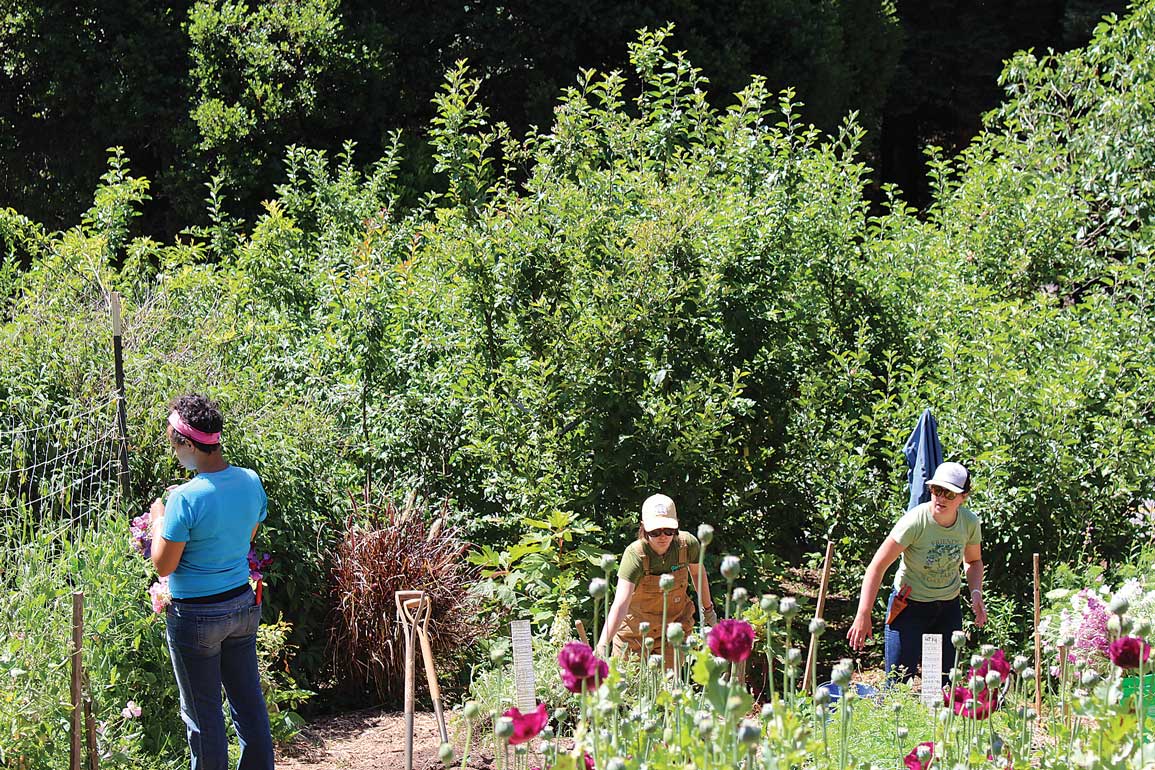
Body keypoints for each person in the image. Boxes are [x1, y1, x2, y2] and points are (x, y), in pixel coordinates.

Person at [149, 394, 274, 770]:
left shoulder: (184, 499)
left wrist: (159, 518)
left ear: (188, 444)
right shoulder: (250, 481)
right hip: (241, 605)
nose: (174, 452)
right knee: (249, 705)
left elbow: (163, 565)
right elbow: (248, 536)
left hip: (197, 617)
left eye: (173, 443)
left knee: (204, 717)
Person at [846, 461, 986, 683]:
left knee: (942, 683)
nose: (940, 497)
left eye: (949, 493)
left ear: (963, 497)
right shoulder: (915, 521)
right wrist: (863, 613)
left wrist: (976, 592)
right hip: (908, 606)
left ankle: (936, 718)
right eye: (937, 490)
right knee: (898, 680)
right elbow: (877, 565)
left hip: (947, 609)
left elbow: (974, 561)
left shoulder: (969, 522)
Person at [595, 494, 717, 666]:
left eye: (668, 530)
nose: (663, 536)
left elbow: (697, 574)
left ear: (677, 525)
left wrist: (708, 610)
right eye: (655, 532)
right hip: (635, 634)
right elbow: (621, 604)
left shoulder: (687, 545)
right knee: (629, 688)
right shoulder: (634, 555)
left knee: (667, 688)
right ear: (644, 528)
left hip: (673, 629)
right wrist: (602, 644)